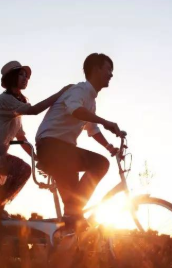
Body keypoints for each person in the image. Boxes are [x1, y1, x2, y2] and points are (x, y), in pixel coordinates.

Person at [0, 60, 71, 239]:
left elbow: (21, 139)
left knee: (23, 169)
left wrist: (37, 159)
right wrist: (60, 93)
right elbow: (35, 110)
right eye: (21, 74)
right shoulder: (4, 100)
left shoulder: (17, 109)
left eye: (27, 76)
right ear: (11, 78)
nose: (25, 79)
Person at [35, 53, 122, 232]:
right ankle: (73, 211)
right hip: (52, 147)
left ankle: (65, 238)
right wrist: (105, 121)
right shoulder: (78, 90)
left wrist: (109, 147)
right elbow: (76, 111)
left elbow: (92, 129)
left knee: (73, 218)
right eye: (108, 69)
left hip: (64, 151)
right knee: (100, 164)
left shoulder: (90, 100)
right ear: (96, 69)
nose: (111, 74)